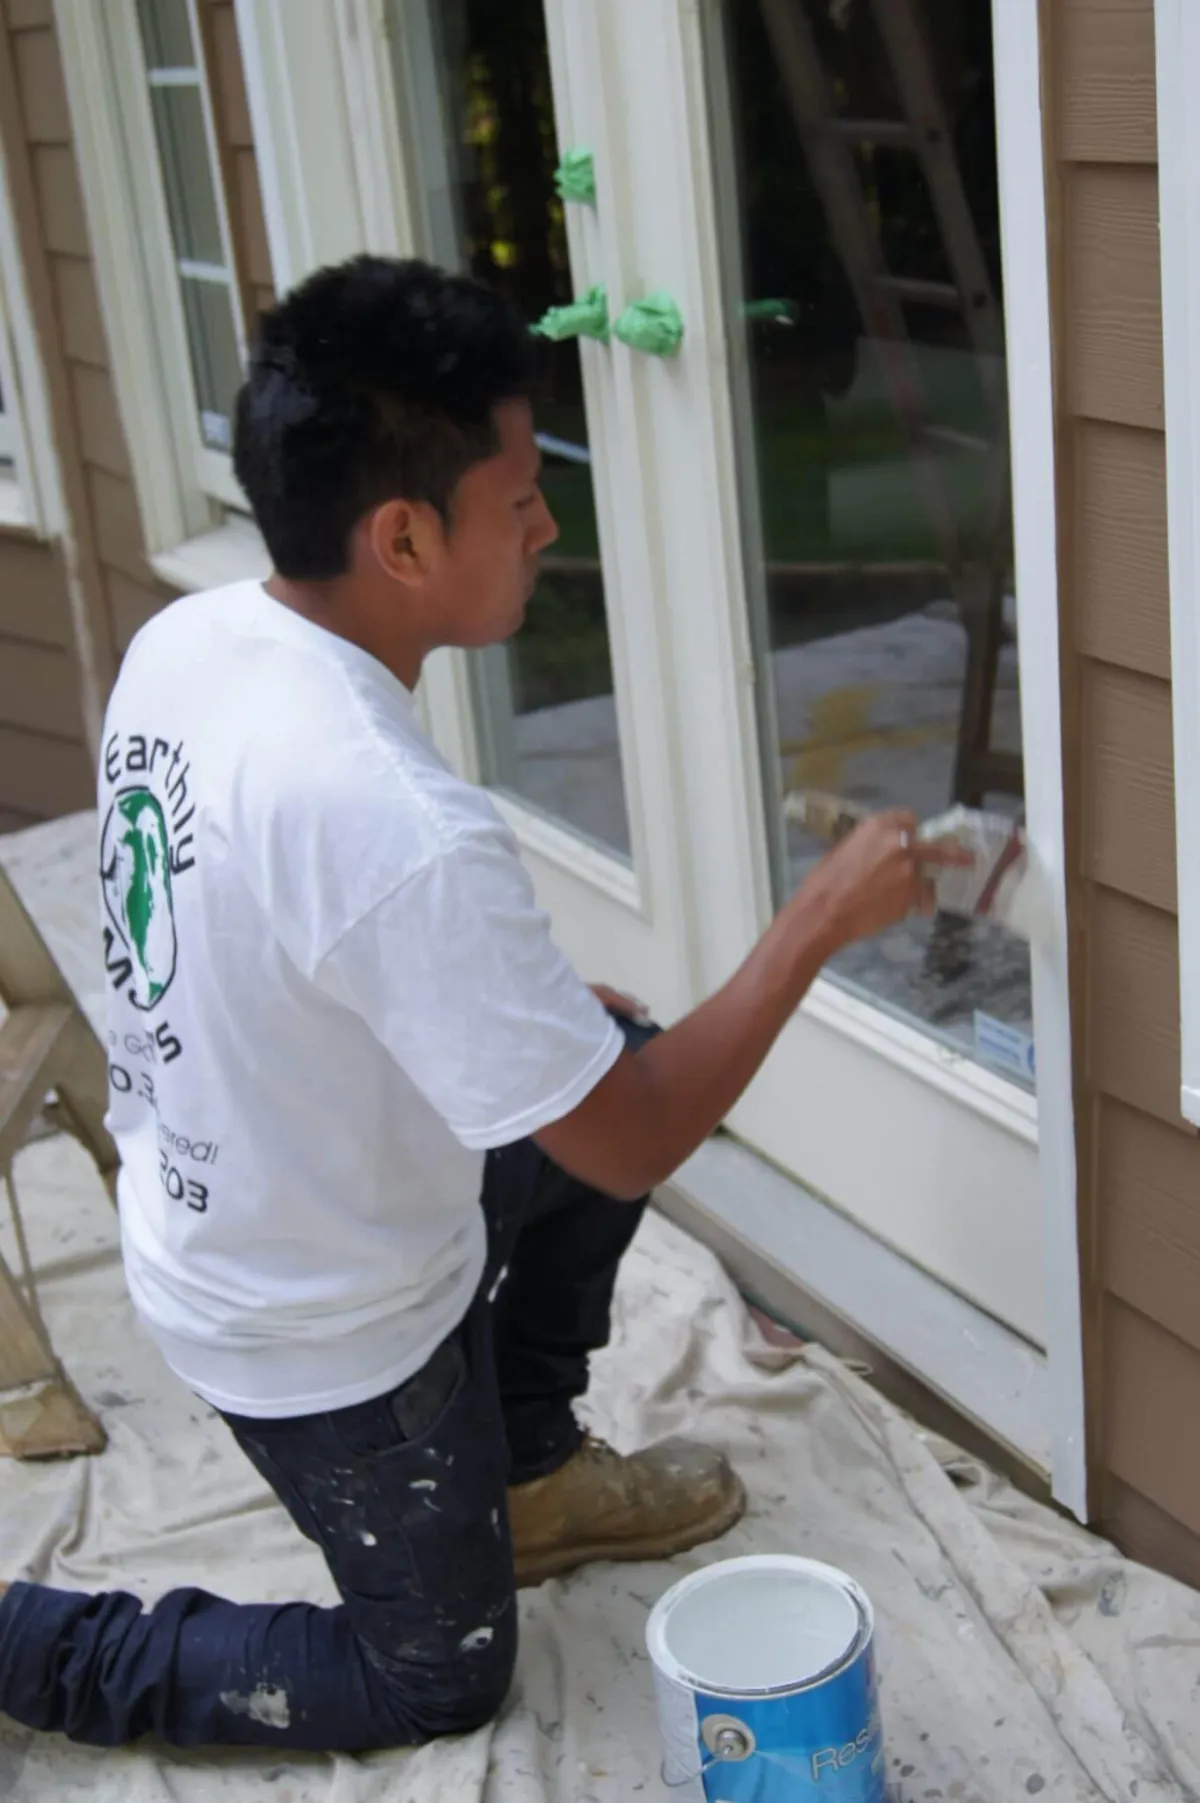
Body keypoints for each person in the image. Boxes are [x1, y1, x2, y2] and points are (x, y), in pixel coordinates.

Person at [0, 257, 948, 1753]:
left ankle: (527, 1464)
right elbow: (629, 1146)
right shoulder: (396, 818)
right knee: (437, 1677)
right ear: (401, 535)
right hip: (317, 1333)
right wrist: (815, 922)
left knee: (606, 1050)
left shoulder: (196, 642)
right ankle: (28, 1642)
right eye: (519, 497)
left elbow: (264, 922)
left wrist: (525, 1009)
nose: (546, 523)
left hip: (254, 1202)